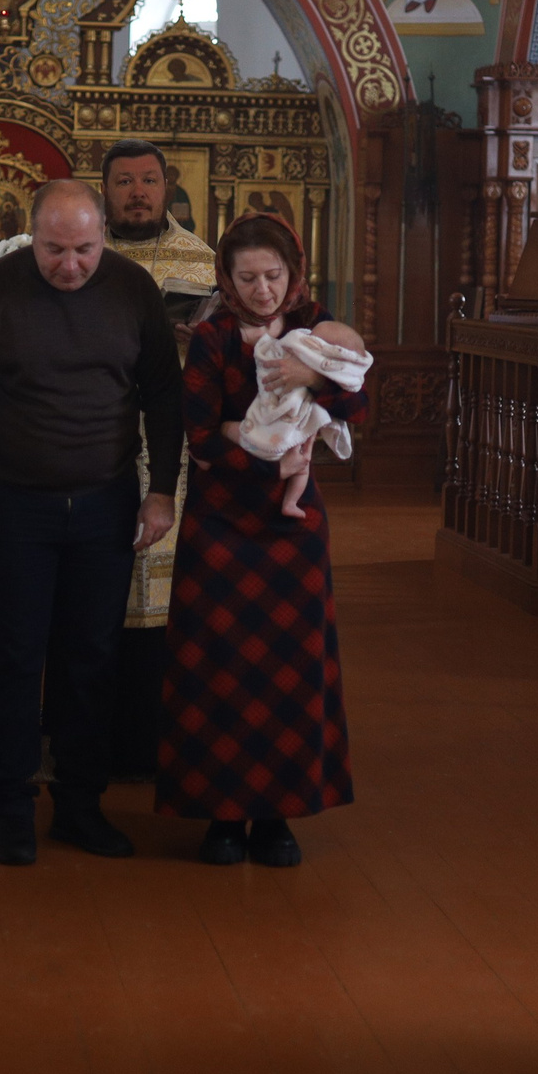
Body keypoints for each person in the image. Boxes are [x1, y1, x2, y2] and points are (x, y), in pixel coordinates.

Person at [0, 178, 183, 867]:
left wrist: (160, 491)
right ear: (30, 235)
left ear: (102, 234)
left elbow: (163, 394)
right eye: (53, 249)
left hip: (106, 503)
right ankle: (10, 808)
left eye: (83, 249)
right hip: (15, 502)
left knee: (91, 659)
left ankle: (79, 805)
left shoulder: (133, 290)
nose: (69, 265)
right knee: (15, 658)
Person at [155, 213, 366, 868]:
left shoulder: (315, 328)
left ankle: (278, 814)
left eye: (273, 275)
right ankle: (222, 815)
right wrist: (269, 465)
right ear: (226, 277)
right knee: (217, 666)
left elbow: (357, 398)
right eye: (247, 277)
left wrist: (312, 382)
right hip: (220, 525)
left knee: (289, 671)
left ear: (293, 273)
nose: (263, 289)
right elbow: (199, 435)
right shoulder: (213, 336)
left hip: (291, 532)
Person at [96, 139, 216, 778]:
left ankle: (162, 741)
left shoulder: (203, 266)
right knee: (99, 596)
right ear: (105, 189)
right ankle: (89, 739)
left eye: (149, 180)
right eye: (124, 182)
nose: (138, 192)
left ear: (167, 187)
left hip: (174, 453)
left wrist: (203, 345)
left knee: (168, 603)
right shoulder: (81, 255)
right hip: (98, 446)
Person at [238, 320, 371, 518]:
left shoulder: (315, 320)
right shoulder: (219, 329)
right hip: (237, 482)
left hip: (294, 435)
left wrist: (314, 378)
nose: (264, 289)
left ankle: (291, 502)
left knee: (300, 462)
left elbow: (359, 410)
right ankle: (288, 498)